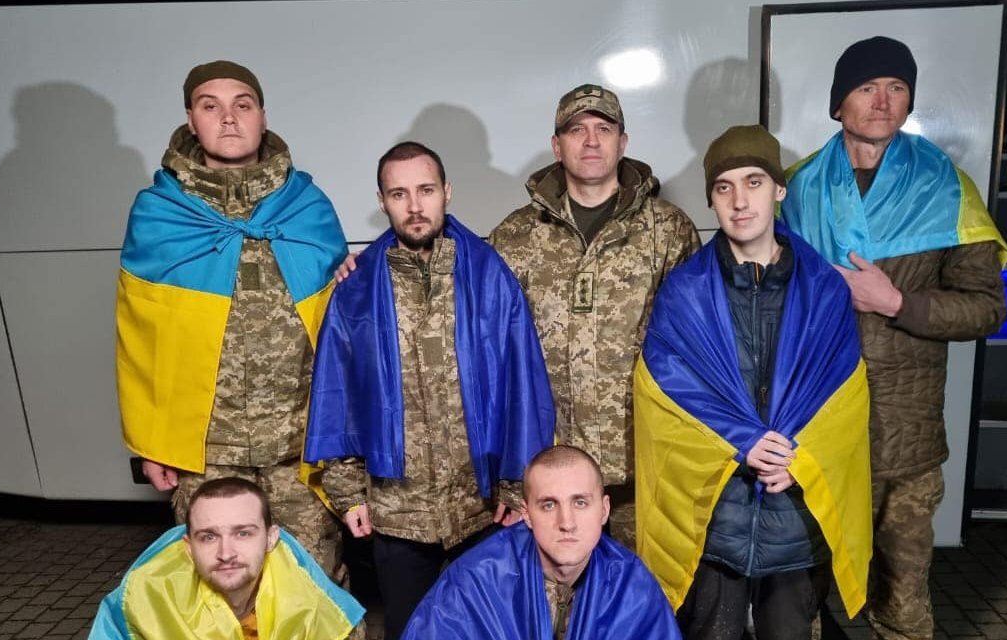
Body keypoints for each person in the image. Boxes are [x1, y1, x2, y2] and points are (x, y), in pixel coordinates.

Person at [780, 37, 1007, 640]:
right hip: (815, 431)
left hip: (905, 440)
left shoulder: (947, 187)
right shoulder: (794, 190)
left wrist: (897, 303)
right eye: (866, 88)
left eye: (896, 88)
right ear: (839, 103)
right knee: (800, 595)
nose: (882, 101)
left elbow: (987, 309)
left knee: (902, 601)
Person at [305, 141, 555, 640]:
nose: (415, 206)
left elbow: (521, 385)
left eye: (426, 190)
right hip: (397, 512)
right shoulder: (356, 289)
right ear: (382, 201)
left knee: (491, 630)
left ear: (447, 192)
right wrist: (349, 495)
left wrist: (516, 486)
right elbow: (338, 393)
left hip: (480, 506)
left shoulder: (490, 276)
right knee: (409, 630)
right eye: (399, 194)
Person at [633, 125, 872, 639]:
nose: (740, 201)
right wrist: (743, 441)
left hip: (795, 515)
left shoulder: (825, 289)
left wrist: (800, 459)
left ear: (779, 189)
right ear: (712, 201)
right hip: (714, 518)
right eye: (724, 188)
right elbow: (665, 393)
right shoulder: (683, 291)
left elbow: (844, 396)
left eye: (754, 182)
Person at [115, 60, 349, 582]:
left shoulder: (307, 205)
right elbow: (139, 339)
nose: (228, 118)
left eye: (242, 104)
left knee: (314, 584)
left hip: (301, 443)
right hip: (207, 452)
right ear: (190, 120)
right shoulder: (159, 213)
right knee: (220, 585)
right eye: (210, 106)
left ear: (262, 117)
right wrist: (153, 444)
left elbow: (344, 327)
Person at [487, 84, 700, 548]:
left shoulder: (669, 231)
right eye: (576, 130)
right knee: (558, 588)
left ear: (623, 142)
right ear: (556, 145)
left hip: (645, 465)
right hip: (551, 472)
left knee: (642, 586)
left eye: (603, 129)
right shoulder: (515, 237)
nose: (590, 140)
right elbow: (492, 359)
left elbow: (698, 350)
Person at [402, 445, 680, 639]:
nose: (567, 522)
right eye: (549, 505)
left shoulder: (632, 587)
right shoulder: (473, 583)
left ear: (604, 510)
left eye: (580, 503)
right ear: (526, 515)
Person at [90, 477, 365, 640]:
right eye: (208, 537)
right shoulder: (144, 597)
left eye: (243, 533)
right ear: (188, 547)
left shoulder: (311, 602)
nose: (226, 553)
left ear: (271, 539)